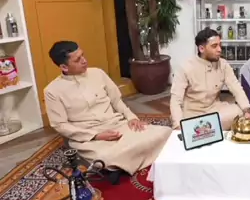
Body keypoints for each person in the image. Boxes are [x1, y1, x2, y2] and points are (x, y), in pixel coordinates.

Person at [44, 41, 171, 182]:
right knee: (106, 157)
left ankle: (120, 166)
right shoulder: (52, 91)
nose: (84, 61)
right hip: (89, 137)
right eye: (77, 60)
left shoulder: (98, 73)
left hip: (117, 125)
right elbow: (60, 125)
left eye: (83, 55)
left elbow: (116, 101)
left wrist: (131, 118)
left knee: (165, 132)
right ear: (64, 67)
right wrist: (96, 136)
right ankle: (120, 161)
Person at [170, 28, 250, 130]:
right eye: (214, 46)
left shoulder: (223, 65)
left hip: (215, 110)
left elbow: (236, 88)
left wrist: (246, 109)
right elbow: (176, 100)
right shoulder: (185, 67)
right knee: (187, 124)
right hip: (192, 114)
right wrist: (178, 126)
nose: (219, 49)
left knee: (240, 112)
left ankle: (204, 130)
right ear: (202, 49)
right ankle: (204, 129)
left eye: (220, 45)